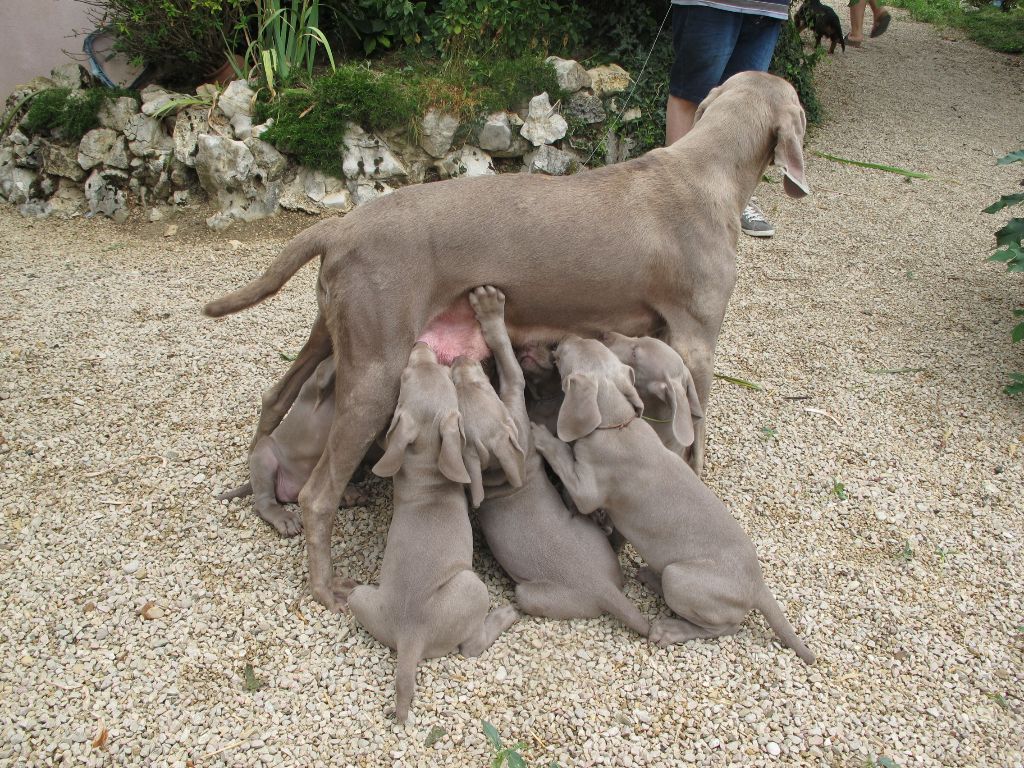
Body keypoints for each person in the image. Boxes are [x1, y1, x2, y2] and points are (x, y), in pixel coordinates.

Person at [666, 0, 789, 237]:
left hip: (770, 6)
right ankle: (676, 198)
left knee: (747, 107)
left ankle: (733, 201)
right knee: (690, 95)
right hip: (712, 3)